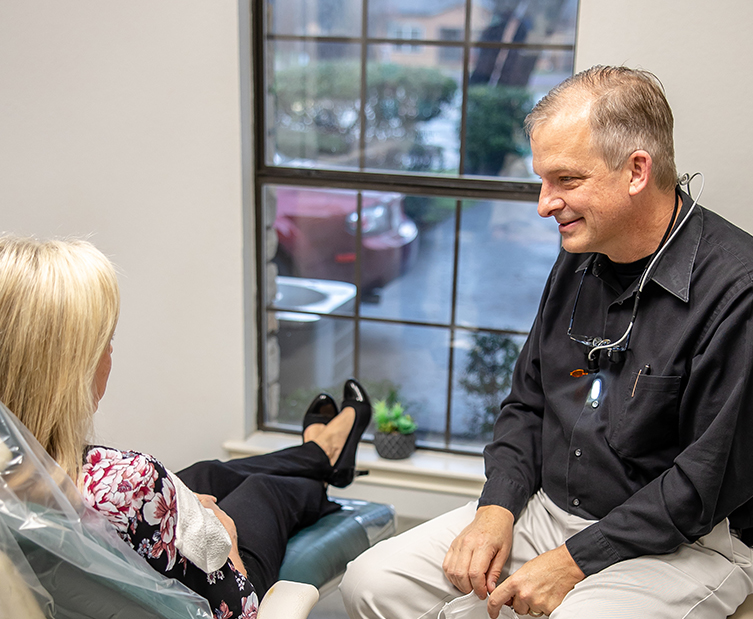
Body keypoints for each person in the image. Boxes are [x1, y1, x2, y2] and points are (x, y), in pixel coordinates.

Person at [340, 65, 753, 619]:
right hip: (552, 512)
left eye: (566, 180)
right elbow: (528, 400)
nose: (544, 204)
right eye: (541, 180)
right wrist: (496, 507)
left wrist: (573, 561)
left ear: (636, 171)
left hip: (684, 543)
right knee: (372, 581)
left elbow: (699, 486)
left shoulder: (737, 292)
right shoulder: (578, 256)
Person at [0, 235, 372, 618]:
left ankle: (321, 454)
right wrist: (225, 536)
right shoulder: (133, 482)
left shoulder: (20, 469)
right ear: (70, 369)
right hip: (227, 588)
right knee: (267, 490)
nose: (110, 354)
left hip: (122, 520)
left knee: (209, 472)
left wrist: (182, 506)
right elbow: (239, 609)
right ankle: (323, 459)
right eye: (105, 342)